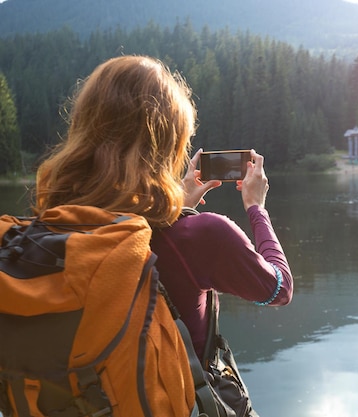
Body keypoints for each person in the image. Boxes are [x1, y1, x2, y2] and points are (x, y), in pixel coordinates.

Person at [34, 55, 293, 361]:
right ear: (169, 143)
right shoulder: (204, 235)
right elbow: (278, 290)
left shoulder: (46, 231)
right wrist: (256, 208)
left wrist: (176, 205)